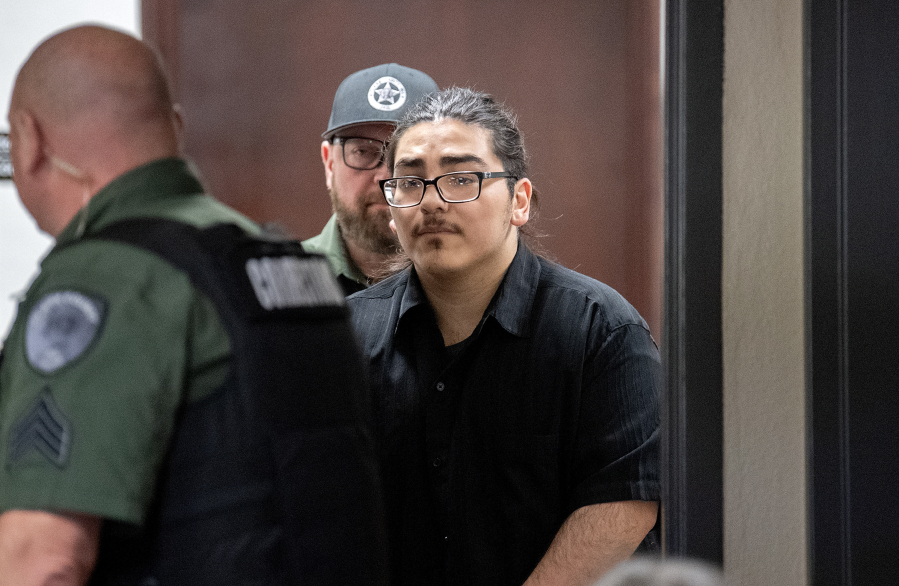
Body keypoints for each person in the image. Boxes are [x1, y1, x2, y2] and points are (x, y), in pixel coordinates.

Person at [0, 25, 386, 586]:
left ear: (30, 139)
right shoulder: (274, 258)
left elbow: (42, 560)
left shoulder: (108, 277)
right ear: (175, 127)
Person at [346, 87, 661, 586]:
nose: (431, 202)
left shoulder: (603, 330)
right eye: (410, 182)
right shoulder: (346, 338)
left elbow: (624, 507)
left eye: (461, 178)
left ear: (519, 200)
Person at [303, 63, 438, 294]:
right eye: (363, 152)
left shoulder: (472, 287)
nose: (386, 176)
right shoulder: (283, 282)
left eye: (407, 155)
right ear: (329, 164)